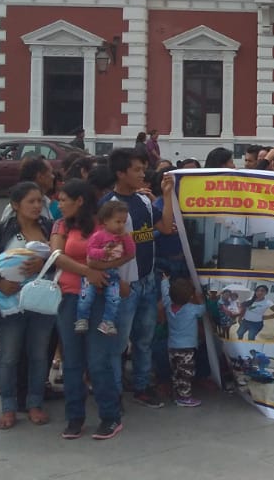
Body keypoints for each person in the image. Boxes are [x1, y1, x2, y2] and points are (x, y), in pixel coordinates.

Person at [0, 181, 54, 429]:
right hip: (9, 304)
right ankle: (9, 408)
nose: (36, 206)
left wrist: (44, 266)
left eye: (39, 201)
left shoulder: (50, 228)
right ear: (15, 205)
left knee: (39, 355)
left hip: (42, 303)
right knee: (9, 356)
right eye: (30, 201)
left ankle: (34, 404)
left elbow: (61, 259)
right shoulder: (2, 230)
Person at [50, 179, 124, 439]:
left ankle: (110, 416)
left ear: (79, 200)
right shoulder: (60, 225)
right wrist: (88, 271)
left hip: (101, 298)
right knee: (72, 361)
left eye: (63, 200)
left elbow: (118, 252)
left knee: (97, 360)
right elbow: (56, 256)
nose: (59, 204)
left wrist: (98, 271)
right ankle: (75, 418)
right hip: (69, 296)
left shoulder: (102, 224)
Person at [101, 147, 175, 408]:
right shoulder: (109, 206)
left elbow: (165, 227)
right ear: (121, 173)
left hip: (147, 279)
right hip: (124, 284)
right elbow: (103, 249)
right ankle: (114, 392)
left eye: (144, 169)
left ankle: (142, 386)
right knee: (118, 343)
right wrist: (117, 280)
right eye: (137, 169)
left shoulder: (144, 201)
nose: (142, 174)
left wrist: (166, 197)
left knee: (144, 339)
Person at [75, 200, 134, 336]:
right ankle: (81, 318)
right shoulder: (98, 236)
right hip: (93, 272)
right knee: (86, 296)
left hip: (112, 274)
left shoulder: (123, 237)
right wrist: (103, 252)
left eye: (123, 222)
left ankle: (107, 322)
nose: (121, 226)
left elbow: (131, 252)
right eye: (118, 222)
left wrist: (126, 238)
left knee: (114, 298)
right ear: (106, 221)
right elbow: (90, 252)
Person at [160, 275, 205, 407]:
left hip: (172, 347)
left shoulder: (168, 304)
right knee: (186, 373)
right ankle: (184, 397)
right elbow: (204, 309)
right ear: (190, 296)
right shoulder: (191, 309)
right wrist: (200, 298)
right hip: (186, 349)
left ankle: (177, 394)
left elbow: (165, 292)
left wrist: (164, 280)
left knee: (176, 372)